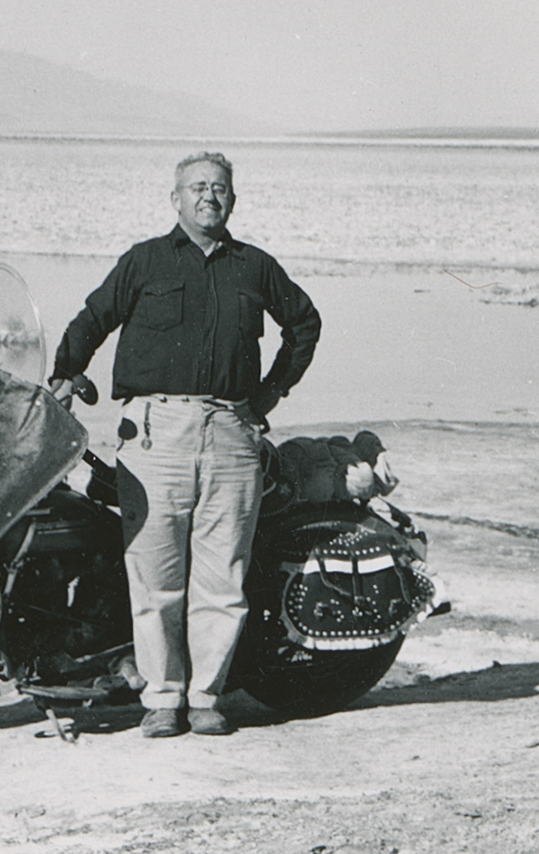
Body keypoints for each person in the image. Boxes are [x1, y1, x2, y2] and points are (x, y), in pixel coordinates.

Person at [48, 151, 320, 737]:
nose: (208, 196)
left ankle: (205, 697)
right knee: (155, 575)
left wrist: (270, 394)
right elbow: (93, 318)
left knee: (222, 578)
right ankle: (163, 699)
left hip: (231, 432)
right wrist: (65, 374)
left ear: (233, 200)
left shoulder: (256, 266)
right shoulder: (144, 260)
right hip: (155, 434)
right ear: (176, 199)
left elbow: (305, 324)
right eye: (197, 187)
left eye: (219, 188)